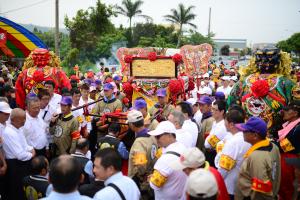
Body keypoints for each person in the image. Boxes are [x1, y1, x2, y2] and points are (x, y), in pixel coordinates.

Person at [235, 117, 281, 200]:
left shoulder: (256, 157)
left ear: (255, 135)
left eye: (245, 131)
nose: (242, 132)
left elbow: (261, 190)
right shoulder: (274, 147)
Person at [215, 110, 251, 199]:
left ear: (231, 124)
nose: (224, 124)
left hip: (230, 187)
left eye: (225, 121)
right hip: (243, 184)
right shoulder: (246, 137)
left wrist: (216, 182)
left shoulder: (233, 142)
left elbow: (224, 168)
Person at [148, 121, 187, 200]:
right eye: (155, 136)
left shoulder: (165, 159)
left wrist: (150, 179)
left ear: (170, 135)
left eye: (158, 136)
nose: (156, 139)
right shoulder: (183, 147)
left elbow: (155, 185)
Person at [2, 108, 36, 200]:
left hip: (22, 164)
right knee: (17, 191)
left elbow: (24, 145)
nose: (24, 121)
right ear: (14, 120)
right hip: (15, 166)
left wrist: (31, 149)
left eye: (25, 118)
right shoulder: (9, 133)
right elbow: (20, 155)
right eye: (22, 119)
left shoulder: (18, 128)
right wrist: (32, 154)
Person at [127, 109, 157, 199]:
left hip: (142, 184)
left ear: (132, 125)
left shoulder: (139, 143)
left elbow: (141, 164)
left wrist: (140, 177)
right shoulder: (152, 136)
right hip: (151, 177)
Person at [276, 100, 300, 200]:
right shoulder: (290, 124)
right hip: (285, 158)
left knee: (288, 187)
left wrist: (269, 143)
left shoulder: (298, 128)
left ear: (295, 113)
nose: (283, 112)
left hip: (291, 160)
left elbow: (287, 145)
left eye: (287, 110)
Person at [205, 100, 230, 167]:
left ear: (222, 112)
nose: (212, 111)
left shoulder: (222, 127)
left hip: (214, 155)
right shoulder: (215, 122)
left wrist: (207, 139)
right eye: (212, 109)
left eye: (215, 110)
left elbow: (207, 145)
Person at [0, 101, 10, 198]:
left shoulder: (7, 123)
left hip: (8, 158)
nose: (8, 116)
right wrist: (3, 163)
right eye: (5, 114)